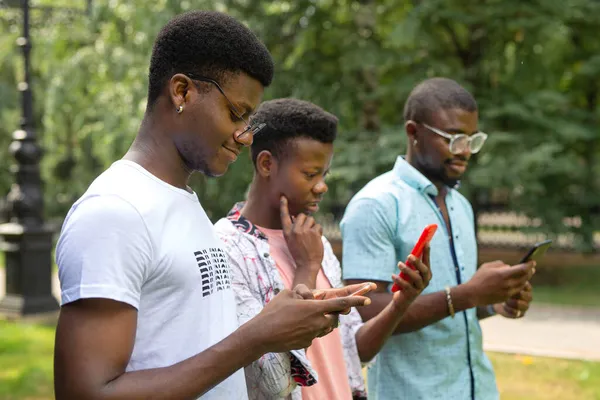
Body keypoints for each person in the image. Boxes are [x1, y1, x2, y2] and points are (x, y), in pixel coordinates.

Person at [53, 12, 371, 400]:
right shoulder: (115, 212)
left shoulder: (184, 204)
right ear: (182, 92)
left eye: (250, 120)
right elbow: (87, 393)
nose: (245, 136)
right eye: (237, 114)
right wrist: (255, 337)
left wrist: (278, 319)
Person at [214, 98, 432, 400]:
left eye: (324, 175)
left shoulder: (316, 243)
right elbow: (271, 379)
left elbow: (353, 353)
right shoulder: (226, 249)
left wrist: (401, 302)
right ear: (266, 164)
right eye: (310, 174)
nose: (322, 186)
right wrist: (306, 268)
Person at [341, 78, 537, 400]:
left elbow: (456, 305)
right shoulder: (376, 205)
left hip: (479, 390)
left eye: (473, 140)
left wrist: (493, 302)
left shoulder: (461, 205)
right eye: (455, 139)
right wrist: (466, 295)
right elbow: (369, 314)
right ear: (413, 132)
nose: (465, 152)